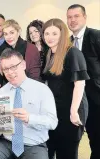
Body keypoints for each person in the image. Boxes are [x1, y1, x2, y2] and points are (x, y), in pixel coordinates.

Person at [0, 48, 58, 159]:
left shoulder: (42, 90)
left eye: (13, 67)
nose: (10, 72)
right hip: (6, 143)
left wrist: (29, 118)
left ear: (23, 65)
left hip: (34, 144)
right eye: (5, 69)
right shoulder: (2, 92)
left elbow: (52, 122)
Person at [42, 18, 90, 159]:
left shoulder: (72, 52)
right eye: (47, 33)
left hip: (71, 109)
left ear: (62, 34)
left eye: (54, 34)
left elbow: (80, 83)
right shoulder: (50, 53)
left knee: (67, 152)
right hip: (56, 109)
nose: (49, 37)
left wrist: (74, 111)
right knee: (52, 147)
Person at [66, 4, 100, 159]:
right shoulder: (66, 43)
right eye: (69, 17)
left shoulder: (96, 36)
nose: (72, 20)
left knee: (97, 140)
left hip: (96, 100)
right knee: (74, 141)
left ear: (84, 17)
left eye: (76, 16)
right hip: (75, 102)